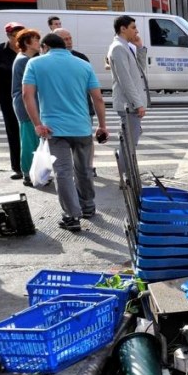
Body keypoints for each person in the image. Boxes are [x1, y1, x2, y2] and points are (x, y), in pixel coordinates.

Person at [22, 33, 108, 232]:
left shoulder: (35, 64)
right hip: (82, 127)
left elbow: (27, 95)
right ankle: (88, 207)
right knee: (84, 169)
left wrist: (37, 124)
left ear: (45, 46)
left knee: (63, 172)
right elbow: (98, 98)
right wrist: (102, 125)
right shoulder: (83, 65)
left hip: (54, 128)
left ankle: (71, 216)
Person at [54, 28, 98, 175]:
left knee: (86, 140)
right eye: (65, 39)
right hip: (59, 111)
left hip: (83, 107)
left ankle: (88, 167)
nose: (69, 41)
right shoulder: (48, 61)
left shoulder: (81, 58)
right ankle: (71, 168)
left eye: (70, 38)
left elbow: (92, 88)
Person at [108, 15, 147, 156]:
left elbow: (140, 72)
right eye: (133, 28)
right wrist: (137, 104)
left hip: (131, 104)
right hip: (128, 105)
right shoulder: (118, 48)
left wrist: (140, 48)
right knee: (129, 144)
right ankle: (127, 174)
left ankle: (129, 174)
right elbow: (125, 80)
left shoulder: (126, 46)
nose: (136, 31)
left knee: (131, 142)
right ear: (123, 29)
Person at [0, 22, 25, 179]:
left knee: (31, 132)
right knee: (13, 131)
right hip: (9, 98)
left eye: (20, 33)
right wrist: (3, 98)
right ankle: (17, 167)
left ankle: (34, 166)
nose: (17, 37)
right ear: (8, 36)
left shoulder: (29, 49)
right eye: (13, 35)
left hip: (29, 97)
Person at [11, 29, 41, 186]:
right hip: (26, 105)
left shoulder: (25, 59)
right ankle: (28, 174)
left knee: (31, 139)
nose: (38, 43)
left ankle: (31, 172)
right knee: (29, 140)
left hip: (26, 104)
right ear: (27, 43)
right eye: (35, 40)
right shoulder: (24, 60)